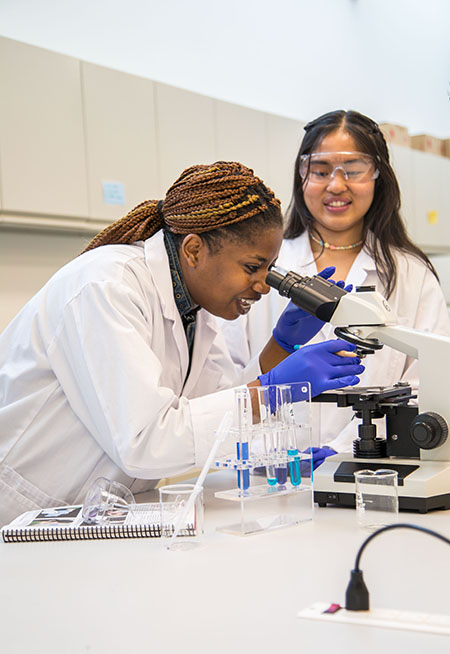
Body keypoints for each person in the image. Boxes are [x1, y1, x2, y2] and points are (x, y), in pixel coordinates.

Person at [0, 161, 364, 525]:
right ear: (193, 250)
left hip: (92, 514)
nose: (263, 285)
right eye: (253, 267)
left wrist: (279, 347)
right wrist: (269, 392)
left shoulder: (194, 308)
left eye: (268, 269)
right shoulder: (106, 287)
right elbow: (146, 442)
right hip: (20, 509)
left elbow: (214, 409)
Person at [220, 111, 450, 457]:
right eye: (321, 170)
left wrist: (342, 450)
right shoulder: (261, 267)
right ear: (302, 175)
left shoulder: (410, 273)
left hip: (372, 466)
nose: (336, 185)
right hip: (266, 468)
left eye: (353, 170)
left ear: (378, 175)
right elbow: (226, 380)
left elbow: (429, 386)